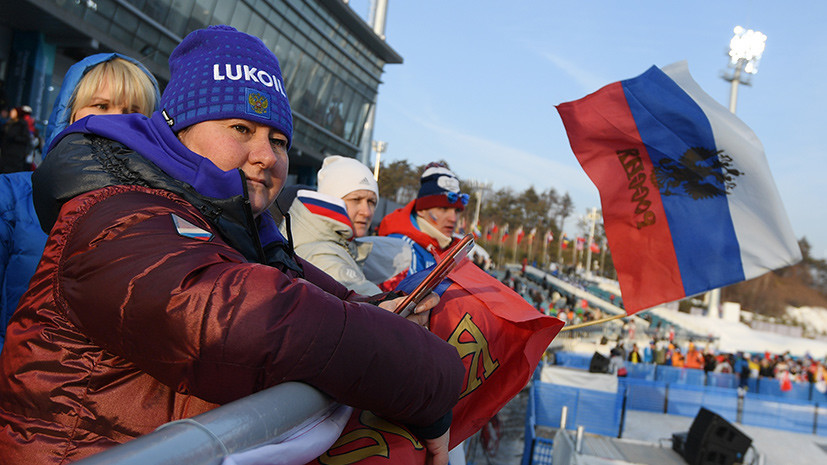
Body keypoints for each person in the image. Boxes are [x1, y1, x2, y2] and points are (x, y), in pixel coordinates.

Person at [0, 26, 464, 464]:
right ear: (177, 132)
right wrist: (428, 376)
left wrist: (387, 309)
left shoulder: (241, 231)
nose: (266, 156)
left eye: (278, 139)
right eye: (240, 129)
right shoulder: (117, 212)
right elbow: (239, 318)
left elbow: (321, 294)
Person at [0, 53, 160, 352]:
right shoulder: (9, 197)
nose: (117, 120)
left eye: (134, 111)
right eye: (101, 106)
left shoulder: (162, 218)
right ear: (69, 114)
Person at [281, 155, 410, 294]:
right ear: (331, 200)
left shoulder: (342, 246)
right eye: (356, 199)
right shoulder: (320, 255)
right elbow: (370, 304)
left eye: (371, 202)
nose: (366, 212)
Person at [378, 162, 468, 274]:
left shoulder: (453, 251)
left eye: (457, 211)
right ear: (421, 210)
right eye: (444, 209)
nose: (453, 219)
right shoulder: (401, 248)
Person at [0, 107, 30, 173]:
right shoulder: (8, 122)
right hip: (6, 152)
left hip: (16, 153)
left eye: (14, 112)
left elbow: (26, 138)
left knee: (13, 172)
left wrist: (14, 138)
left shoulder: (22, 124)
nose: (11, 113)